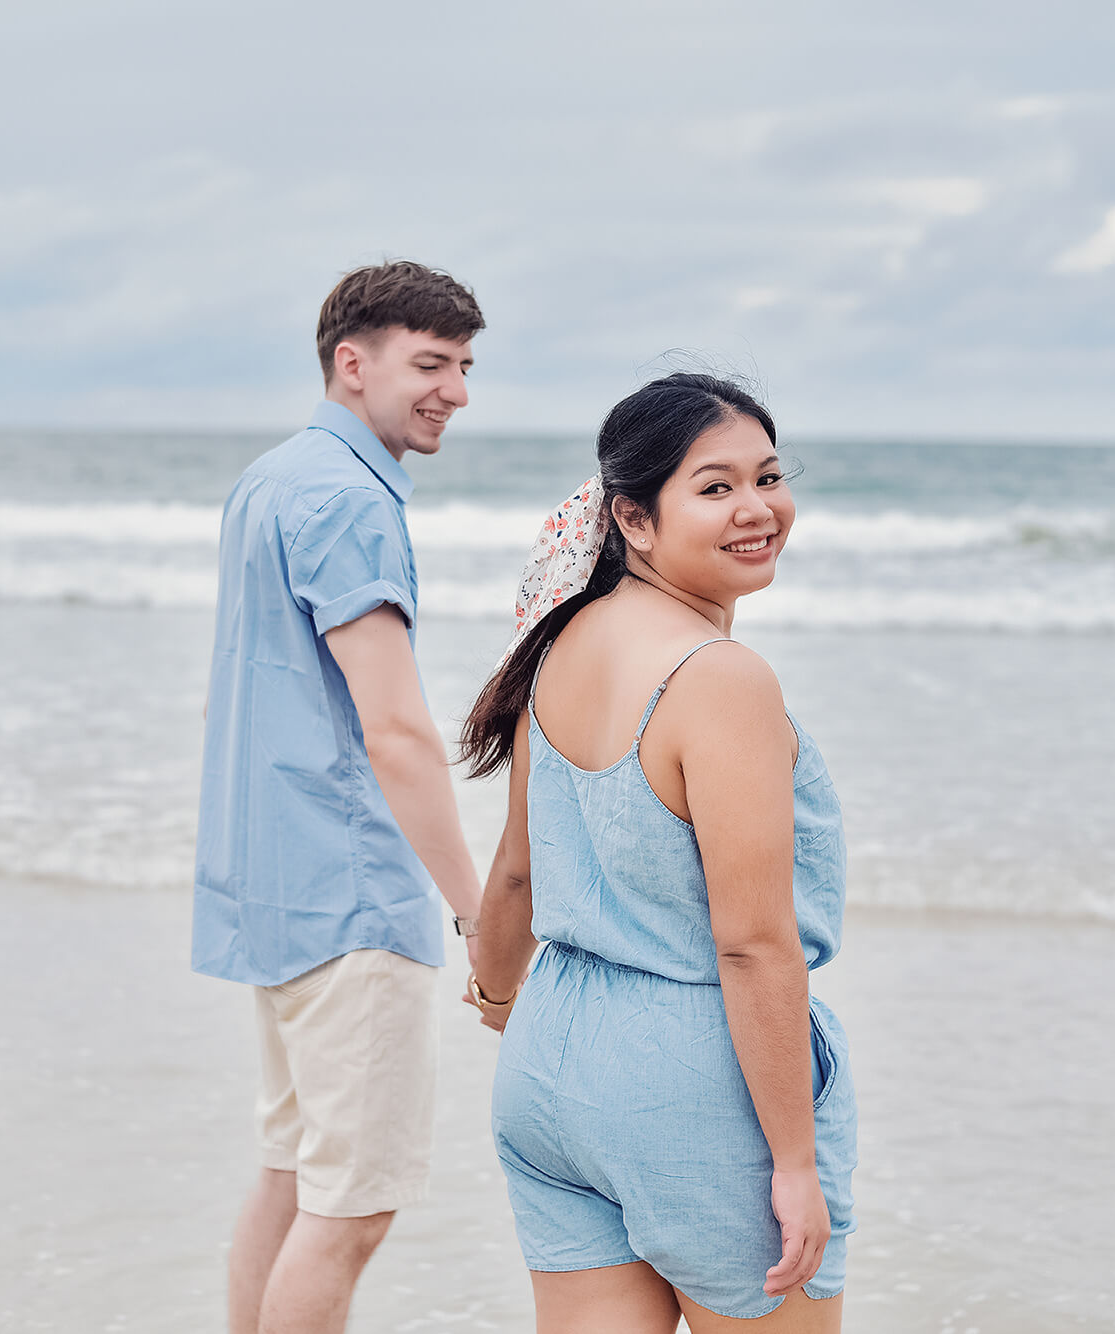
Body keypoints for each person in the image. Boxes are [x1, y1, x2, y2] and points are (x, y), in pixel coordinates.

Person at [458, 373, 856, 1332]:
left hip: (552, 1064)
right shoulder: (721, 680)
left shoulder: (558, 645)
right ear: (633, 519)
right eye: (715, 488)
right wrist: (794, 1164)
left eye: (769, 476)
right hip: (695, 1083)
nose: (758, 509)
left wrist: (504, 999)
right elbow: (753, 946)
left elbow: (514, 868)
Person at [192, 260, 488, 1334]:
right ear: (349, 362)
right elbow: (395, 728)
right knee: (351, 1209)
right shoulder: (349, 500)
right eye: (429, 362)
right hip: (352, 894)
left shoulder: (270, 479)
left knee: (289, 1174)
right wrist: (474, 905)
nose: (452, 388)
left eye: (461, 365)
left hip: (271, 891)